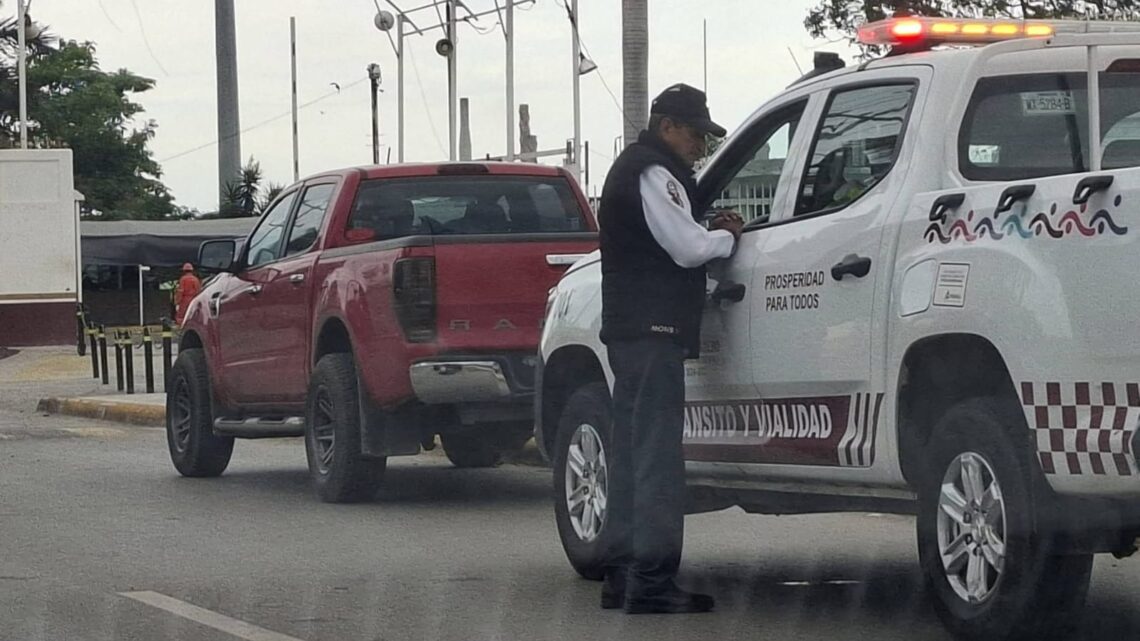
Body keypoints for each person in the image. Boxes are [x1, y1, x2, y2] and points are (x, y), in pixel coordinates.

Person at [597, 83, 744, 614]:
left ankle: (622, 577)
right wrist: (728, 235)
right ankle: (653, 583)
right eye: (695, 134)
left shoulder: (636, 168)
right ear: (667, 127)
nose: (700, 147)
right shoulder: (653, 171)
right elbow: (687, 249)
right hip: (652, 330)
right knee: (658, 459)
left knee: (633, 454)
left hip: (632, 331)